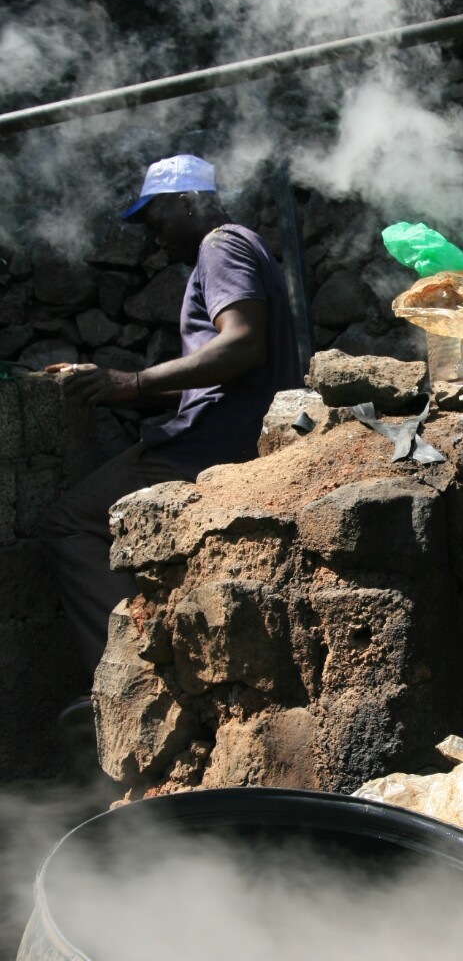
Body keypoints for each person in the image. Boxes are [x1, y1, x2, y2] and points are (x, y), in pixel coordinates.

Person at [44, 153, 301, 705]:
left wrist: (133, 382)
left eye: (155, 219)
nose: (153, 236)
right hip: (226, 432)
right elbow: (220, 370)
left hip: (210, 444)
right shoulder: (243, 246)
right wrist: (110, 383)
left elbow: (242, 344)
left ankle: (130, 683)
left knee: (71, 521)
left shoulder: (221, 245)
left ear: (189, 202)